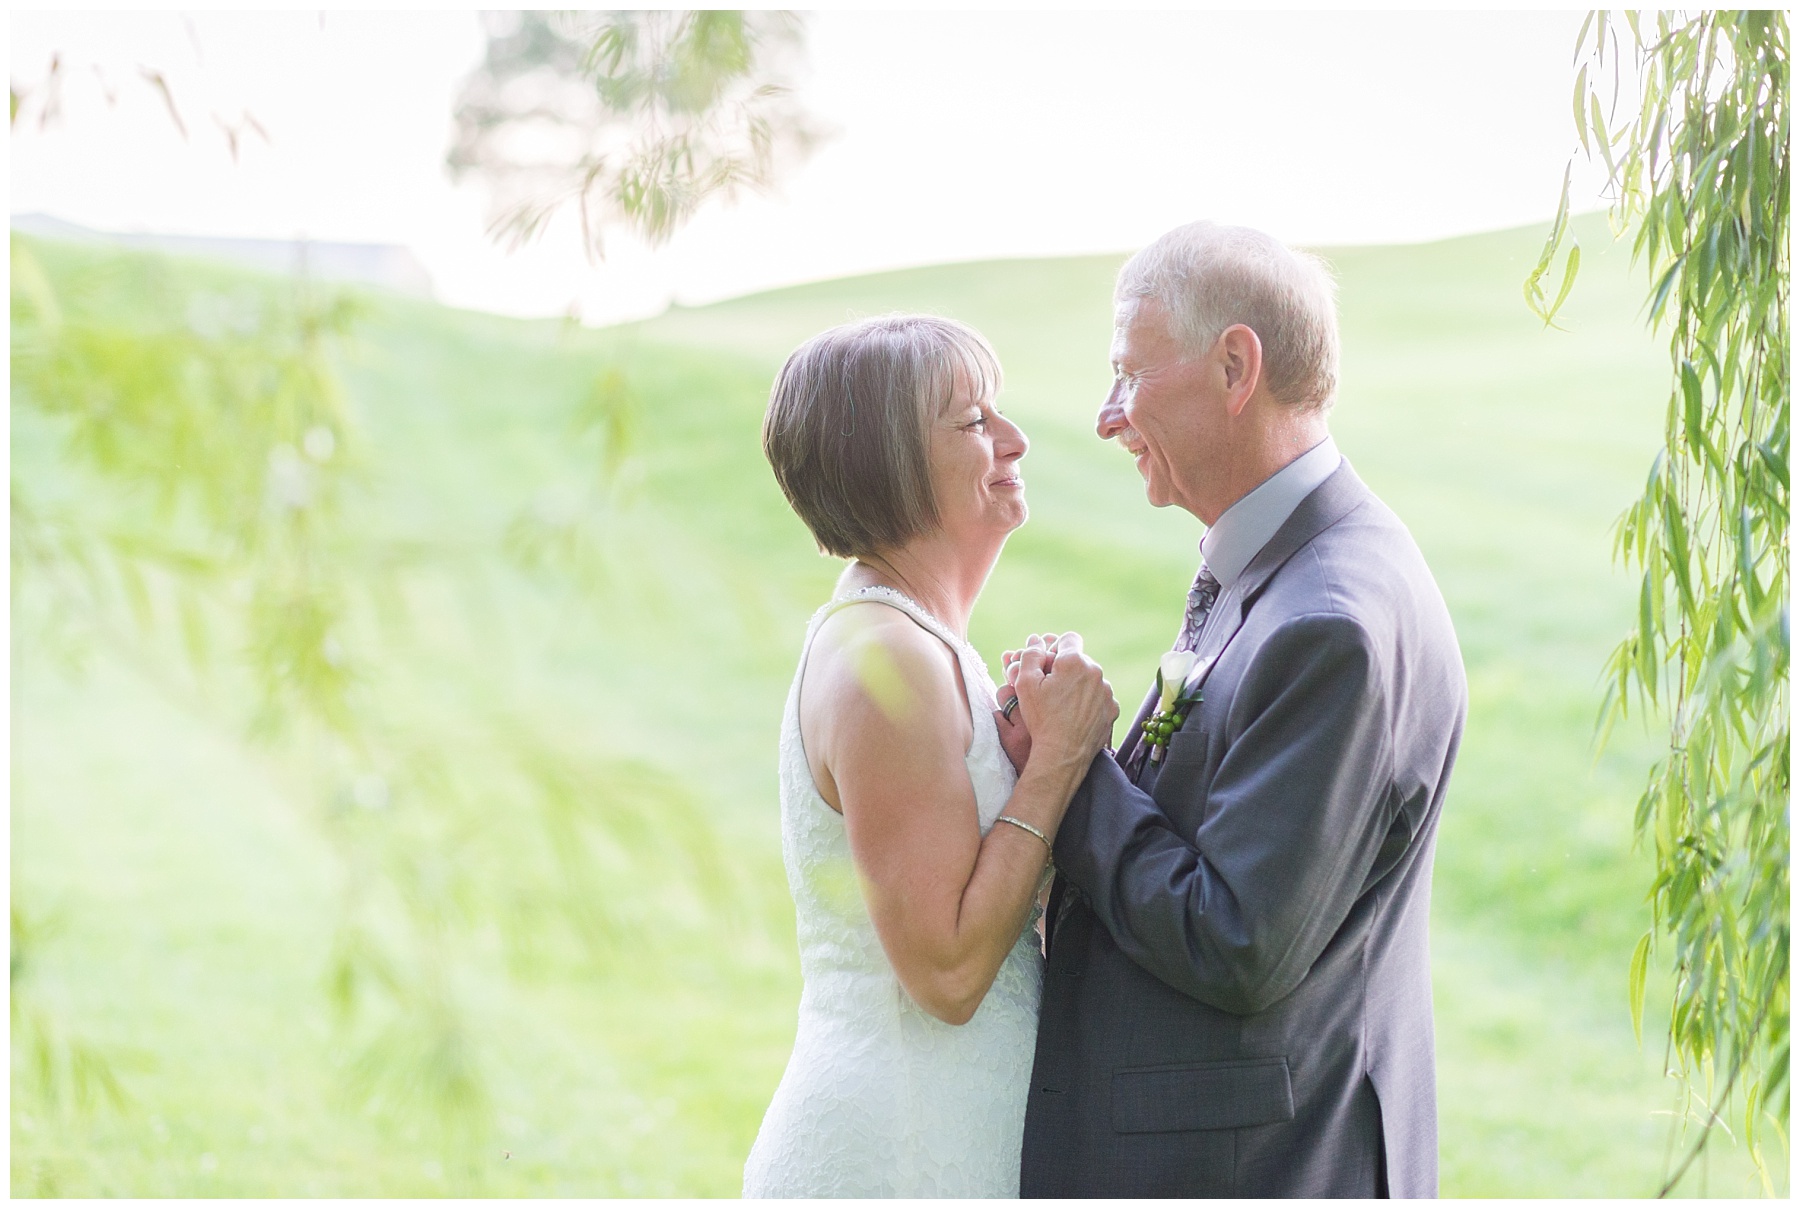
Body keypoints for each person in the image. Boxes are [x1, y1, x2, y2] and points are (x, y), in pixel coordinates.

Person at [1013, 222, 1467, 1197]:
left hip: (1255, 1170)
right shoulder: (1281, 567)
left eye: (1129, 376)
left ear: (1234, 365)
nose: (1107, 416)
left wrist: (1072, 767)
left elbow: (1238, 940)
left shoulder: (1331, 622)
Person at [742, 314, 1119, 1197]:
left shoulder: (910, 639)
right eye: (976, 421)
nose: (1016, 440)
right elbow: (945, 972)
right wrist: (1058, 760)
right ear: (890, 463)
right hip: (902, 1152)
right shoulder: (890, 661)